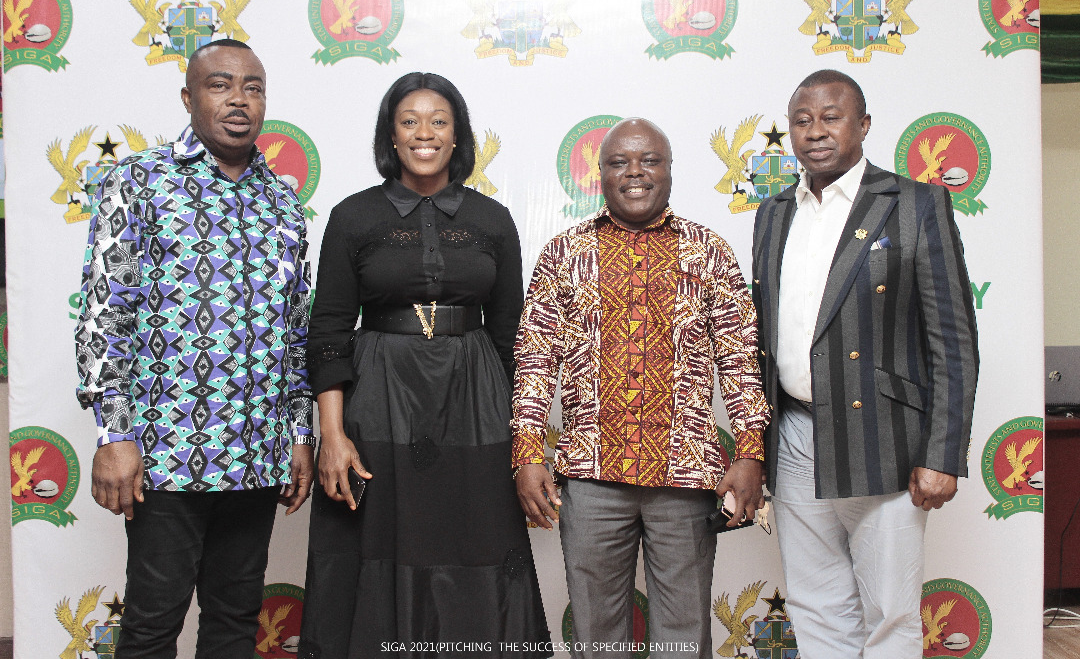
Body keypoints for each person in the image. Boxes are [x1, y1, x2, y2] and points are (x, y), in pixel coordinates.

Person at [74, 38, 314, 657]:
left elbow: (293, 332)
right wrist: (113, 433)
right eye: (220, 84)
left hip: (255, 453)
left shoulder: (284, 202)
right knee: (153, 623)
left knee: (235, 621)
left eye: (253, 87)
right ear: (188, 97)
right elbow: (105, 310)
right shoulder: (140, 180)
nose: (239, 99)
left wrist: (297, 434)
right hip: (164, 454)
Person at [299, 72, 550, 658]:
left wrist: (527, 442)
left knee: (477, 539)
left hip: (475, 401)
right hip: (378, 398)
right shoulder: (354, 217)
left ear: (458, 134)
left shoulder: (492, 219)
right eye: (409, 120)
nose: (424, 133)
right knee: (378, 540)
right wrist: (331, 435)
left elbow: (514, 336)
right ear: (391, 134)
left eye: (439, 120)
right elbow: (330, 330)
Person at [513, 118, 769, 659]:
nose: (635, 173)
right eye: (619, 162)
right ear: (600, 175)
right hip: (590, 477)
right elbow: (536, 358)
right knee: (597, 635)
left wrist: (749, 452)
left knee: (683, 635)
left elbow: (741, 360)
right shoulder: (565, 253)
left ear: (670, 170)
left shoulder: (708, 250)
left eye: (649, 161)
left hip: (685, 476)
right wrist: (528, 452)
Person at [751, 69, 979, 659]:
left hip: (887, 441)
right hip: (796, 436)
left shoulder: (914, 203)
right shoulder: (774, 213)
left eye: (831, 117)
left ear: (864, 125)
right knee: (815, 606)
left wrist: (943, 455)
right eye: (802, 121)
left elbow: (953, 341)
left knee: (890, 614)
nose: (815, 132)